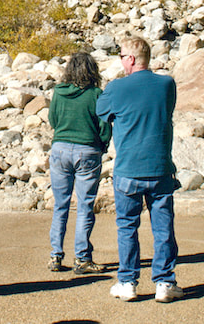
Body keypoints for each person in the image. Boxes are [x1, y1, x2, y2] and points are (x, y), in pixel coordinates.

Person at [95, 35, 184, 303]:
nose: (120, 61)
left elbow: (102, 113)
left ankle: (127, 281)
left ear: (131, 59)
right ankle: (165, 282)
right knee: (163, 227)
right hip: (159, 168)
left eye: (121, 56)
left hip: (128, 169)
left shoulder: (116, 88)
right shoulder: (167, 84)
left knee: (126, 227)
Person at [47, 52, 111, 275]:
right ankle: (82, 258)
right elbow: (104, 126)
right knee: (84, 206)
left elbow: (53, 120)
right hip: (87, 150)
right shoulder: (95, 94)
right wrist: (102, 146)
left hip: (60, 149)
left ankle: (56, 255)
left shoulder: (58, 92)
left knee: (60, 205)